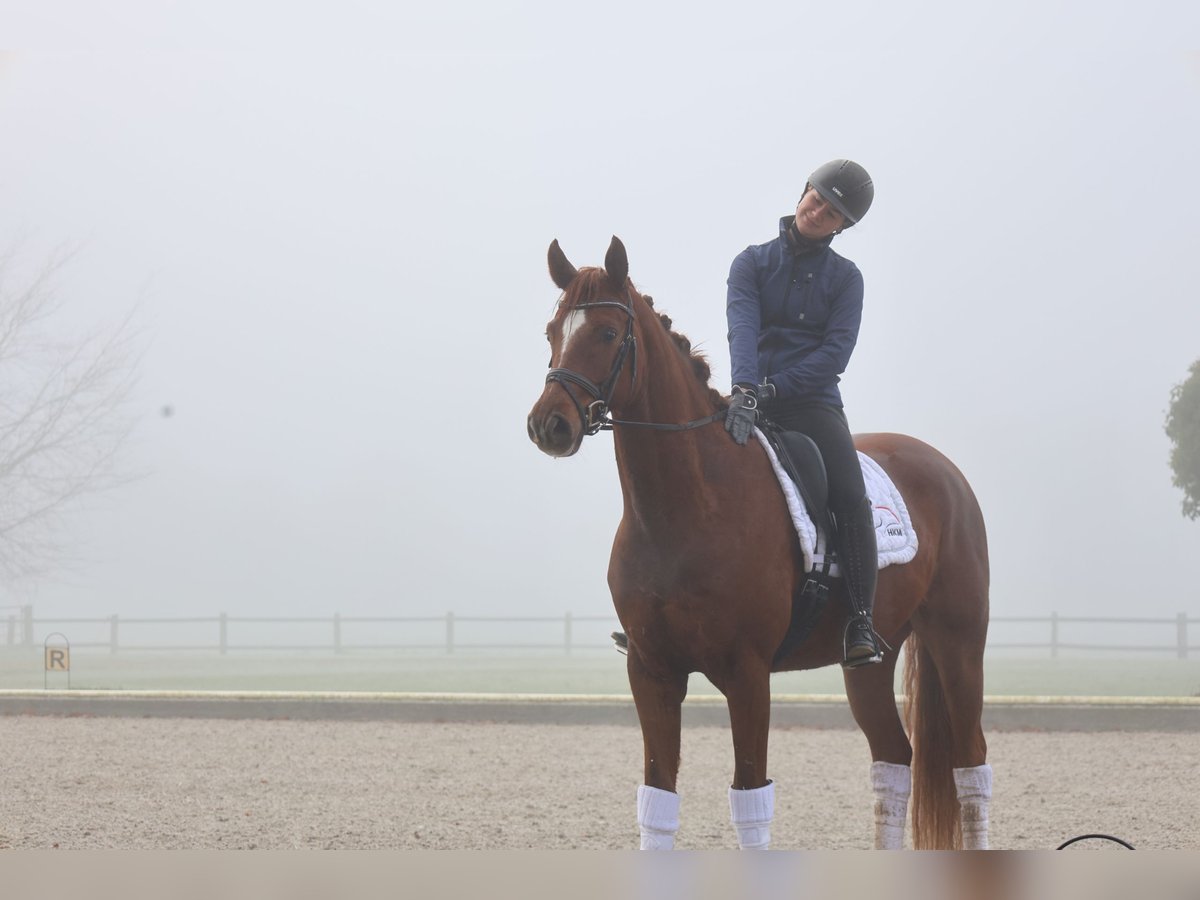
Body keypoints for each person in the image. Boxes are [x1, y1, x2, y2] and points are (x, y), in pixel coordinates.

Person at [723, 159, 882, 668]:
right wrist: (746, 388)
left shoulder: (847, 280)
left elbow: (834, 356)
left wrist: (773, 389)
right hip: (749, 395)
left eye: (832, 211)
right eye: (816, 198)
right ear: (803, 192)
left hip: (811, 402)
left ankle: (860, 619)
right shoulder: (750, 263)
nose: (818, 211)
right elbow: (742, 329)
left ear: (843, 226)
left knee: (851, 497)